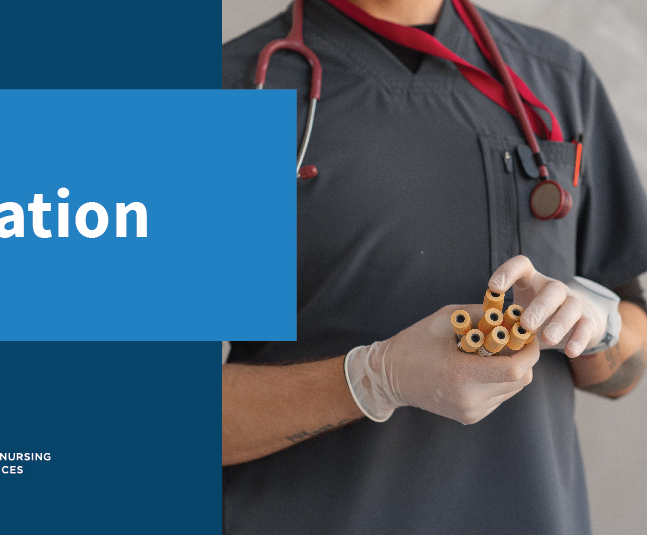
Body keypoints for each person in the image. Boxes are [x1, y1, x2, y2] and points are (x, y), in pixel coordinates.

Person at [220, 0, 647, 533]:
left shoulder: (557, 78)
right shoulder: (226, 94)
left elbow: (627, 364)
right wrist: (372, 379)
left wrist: (597, 325)